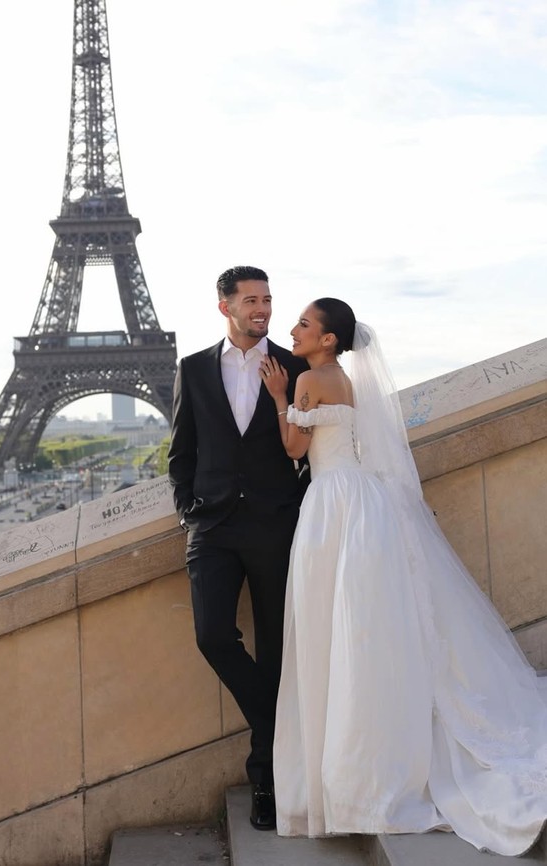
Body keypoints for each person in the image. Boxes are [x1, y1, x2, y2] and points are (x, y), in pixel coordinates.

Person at [259, 297, 547, 856]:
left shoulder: (307, 382)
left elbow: (296, 447)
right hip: (366, 505)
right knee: (367, 627)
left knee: (337, 630)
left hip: (330, 506)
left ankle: (353, 766)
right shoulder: (348, 379)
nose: (293, 330)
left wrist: (277, 399)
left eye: (303, 324)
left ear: (326, 339)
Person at [167, 266, 309, 830]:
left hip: (276, 524)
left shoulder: (295, 367)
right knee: (212, 636)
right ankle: (281, 726)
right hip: (214, 528)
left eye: (268, 300)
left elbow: (310, 444)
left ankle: (266, 782)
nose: (263, 310)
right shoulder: (194, 368)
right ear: (223, 305)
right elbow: (182, 451)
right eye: (251, 300)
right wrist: (189, 513)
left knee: (275, 651)